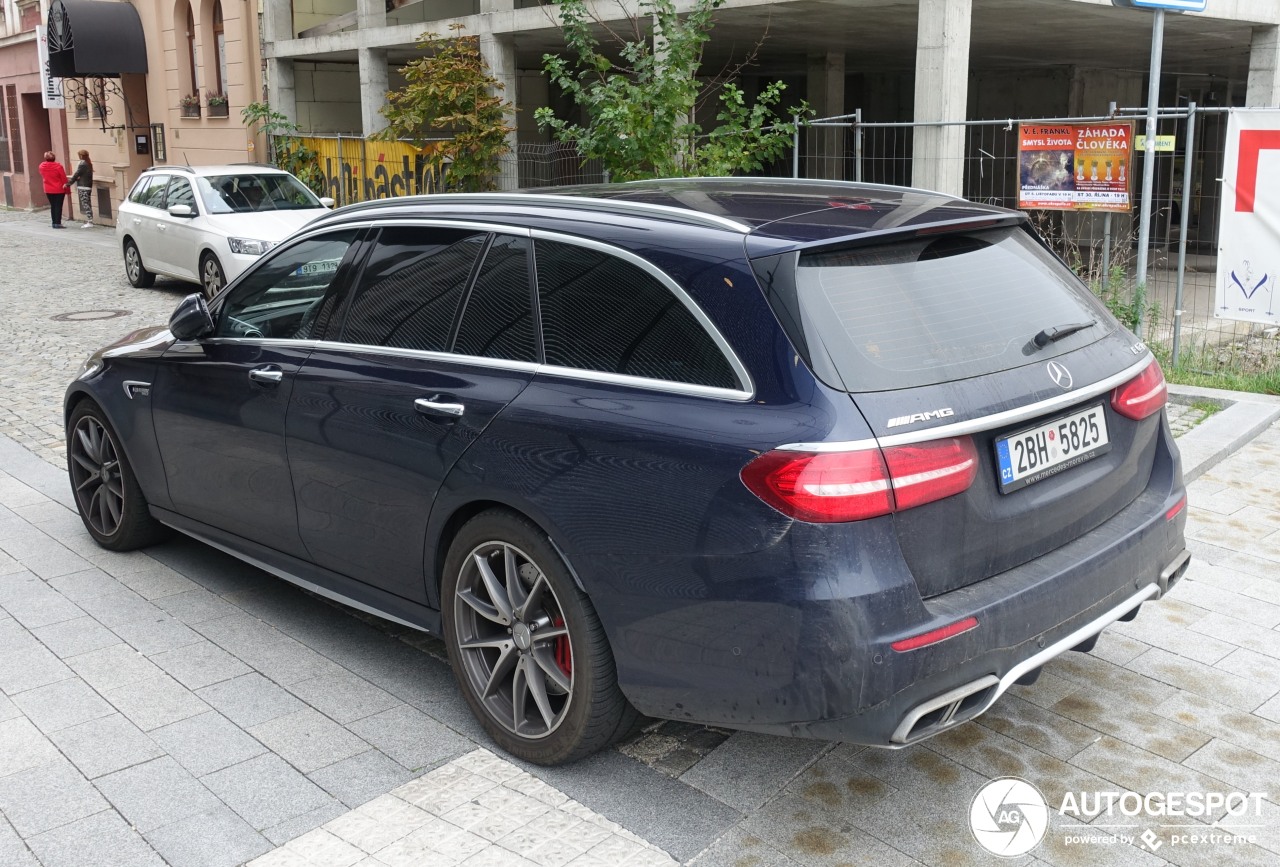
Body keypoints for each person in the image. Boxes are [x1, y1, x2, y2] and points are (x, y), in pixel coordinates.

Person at [38, 152, 69, 228]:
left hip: (48, 188)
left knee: (53, 206)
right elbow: (63, 178)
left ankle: (54, 222)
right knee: (58, 206)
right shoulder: (58, 167)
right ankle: (58, 223)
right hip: (59, 189)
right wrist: (67, 188)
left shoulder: (42, 166)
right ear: (54, 158)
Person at [68, 150, 94, 228]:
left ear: (81, 156)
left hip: (83, 186)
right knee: (87, 203)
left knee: (85, 203)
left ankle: (90, 221)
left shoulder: (82, 164)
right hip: (88, 186)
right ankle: (90, 220)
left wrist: (69, 183)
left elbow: (77, 174)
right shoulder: (89, 163)